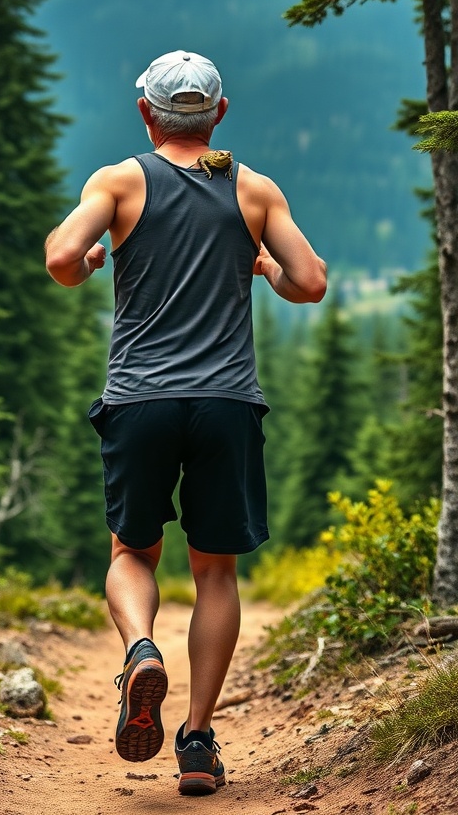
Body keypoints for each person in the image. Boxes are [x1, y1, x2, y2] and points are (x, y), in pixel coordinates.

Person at [45, 50, 327, 796]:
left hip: (139, 401)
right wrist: (262, 264)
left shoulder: (118, 181)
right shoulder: (255, 190)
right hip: (226, 403)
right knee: (215, 571)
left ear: (147, 113)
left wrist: (95, 259)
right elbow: (311, 283)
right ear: (220, 115)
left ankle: (140, 649)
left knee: (133, 550)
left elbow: (62, 256)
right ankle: (197, 741)